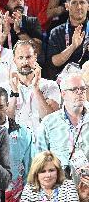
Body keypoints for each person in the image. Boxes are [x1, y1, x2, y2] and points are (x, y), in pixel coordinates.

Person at [37, 73, 89, 201]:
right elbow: (39, 160)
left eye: (83, 89)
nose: (80, 92)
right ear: (63, 94)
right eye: (74, 89)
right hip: (59, 190)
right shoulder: (49, 122)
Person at [6, 40, 60, 143]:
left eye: (28, 57)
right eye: (20, 58)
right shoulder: (5, 88)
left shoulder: (50, 86)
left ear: (35, 57)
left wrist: (36, 88)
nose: (25, 62)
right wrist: (14, 93)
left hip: (43, 145)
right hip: (16, 145)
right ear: (14, 60)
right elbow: (6, 121)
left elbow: (51, 119)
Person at [0, 86, 33, 202]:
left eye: (0, 106)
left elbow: (30, 169)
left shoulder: (23, 133)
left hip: (15, 195)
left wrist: (28, 196)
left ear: (7, 105)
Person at [47, 0, 89, 80]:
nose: (79, 7)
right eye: (74, 3)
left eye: (82, 2)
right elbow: (54, 62)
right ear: (67, 6)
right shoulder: (56, 32)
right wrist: (72, 47)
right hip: (65, 83)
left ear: (88, 6)